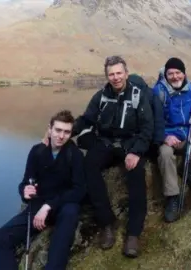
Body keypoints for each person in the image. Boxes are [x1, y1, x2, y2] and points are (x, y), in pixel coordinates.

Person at [71, 56, 154, 258]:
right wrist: (64, 133)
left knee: (136, 174)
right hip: (106, 143)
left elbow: (147, 128)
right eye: (111, 74)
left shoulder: (138, 95)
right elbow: (86, 119)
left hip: (130, 144)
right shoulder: (101, 96)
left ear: (126, 73)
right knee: (89, 165)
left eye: (119, 73)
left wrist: (136, 151)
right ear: (107, 76)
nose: (115, 77)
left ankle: (133, 233)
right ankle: (106, 223)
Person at [0, 110, 87, 270]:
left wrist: (49, 206)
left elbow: (79, 190)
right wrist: (25, 192)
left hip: (64, 206)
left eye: (67, 132)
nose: (61, 136)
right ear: (50, 129)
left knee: (69, 217)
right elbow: (26, 182)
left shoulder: (74, 155)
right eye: (58, 130)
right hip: (39, 205)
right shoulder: (37, 152)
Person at [152, 57, 191, 223]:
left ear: (184, 73)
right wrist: (165, 136)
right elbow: (153, 121)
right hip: (168, 137)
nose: (175, 77)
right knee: (165, 155)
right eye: (170, 73)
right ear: (166, 75)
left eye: (178, 72)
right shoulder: (158, 92)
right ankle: (172, 197)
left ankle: (190, 165)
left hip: (187, 133)